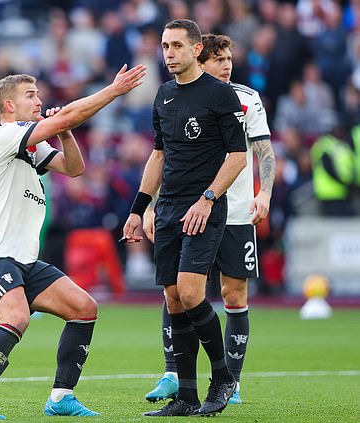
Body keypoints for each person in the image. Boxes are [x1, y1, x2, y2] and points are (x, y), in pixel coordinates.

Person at [0, 65, 146, 419]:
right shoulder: (2, 135)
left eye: (38, 93)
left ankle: (60, 397)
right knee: (18, 317)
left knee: (84, 308)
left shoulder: (30, 145)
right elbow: (68, 114)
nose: (39, 100)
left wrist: (67, 134)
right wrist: (112, 91)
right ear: (9, 105)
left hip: (22, 260)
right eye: (31, 95)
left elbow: (74, 169)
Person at [143, 33, 277, 406]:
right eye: (219, 59)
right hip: (184, 208)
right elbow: (163, 157)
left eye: (229, 58)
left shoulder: (246, 98)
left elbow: (262, 150)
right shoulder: (176, 95)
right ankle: (175, 374)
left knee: (232, 294)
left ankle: (230, 380)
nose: (227, 65)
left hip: (233, 211)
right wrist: (150, 205)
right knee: (177, 291)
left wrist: (263, 193)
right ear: (202, 59)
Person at [122, 19, 246, 417]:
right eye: (164, 46)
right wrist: (139, 209)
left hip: (204, 208)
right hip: (171, 208)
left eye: (176, 46)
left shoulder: (220, 95)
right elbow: (158, 156)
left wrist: (208, 199)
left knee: (192, 293)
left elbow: (238, 157)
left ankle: (224, 376)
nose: (169, 53)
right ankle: (187, 396)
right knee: (174, 300)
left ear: (195, 50)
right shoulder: (164, 95)